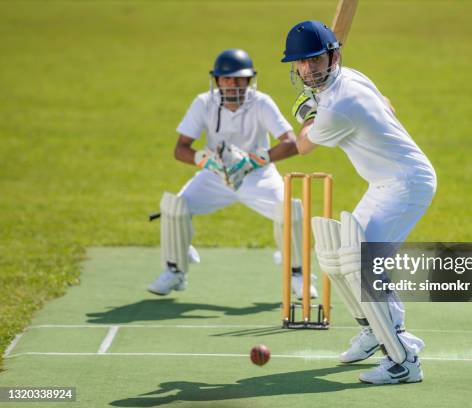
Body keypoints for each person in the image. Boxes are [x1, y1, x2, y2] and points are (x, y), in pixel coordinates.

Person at [281, 21, 437, 384]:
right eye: (300, 63)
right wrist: (318, 104)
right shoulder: (352, 78)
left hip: (406, 183)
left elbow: (303, 147)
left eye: (315, 59)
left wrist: (307, 112)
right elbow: (388, 106)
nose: (307, 69)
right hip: (385, 181)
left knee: (364, 265)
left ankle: (403, 362)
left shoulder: (340, 105)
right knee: (339, 256)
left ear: (333, 55)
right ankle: (379, 330)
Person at [148, 48, 316, 299]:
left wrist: (254, 160)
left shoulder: (261, 102)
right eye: (227, 78)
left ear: (250, 80)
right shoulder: (204, 103)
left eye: (239, 78)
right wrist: (206, 161)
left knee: (289, 210)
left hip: (258, 175)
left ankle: (298, 275)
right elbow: (180, 149)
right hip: (215, 175)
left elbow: (292, 143)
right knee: (175, 207)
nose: (233, 84)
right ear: (217, 80)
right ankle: (175, 269)